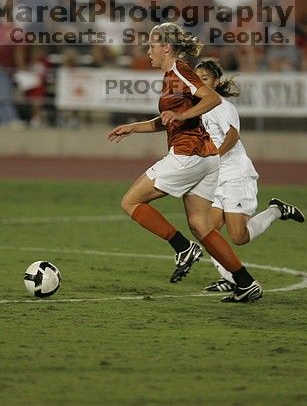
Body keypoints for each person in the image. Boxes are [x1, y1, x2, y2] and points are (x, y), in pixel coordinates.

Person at [107, 22, 262, 303]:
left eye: (152, 45)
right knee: (201, 226)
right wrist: (133, 127)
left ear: (166, 47)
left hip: (188, 154)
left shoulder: (178, 71)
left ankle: (181, 248)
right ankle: (245, 283)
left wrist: (180, 116)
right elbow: (168, 121)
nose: (149, 50)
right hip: (206, 158)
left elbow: (212, 98)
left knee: (130, 202)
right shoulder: (171, 77)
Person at [194, 59, 304, 293]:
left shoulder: (222, 107)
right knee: (208, 230)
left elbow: (232, 136)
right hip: (214, 177)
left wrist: (214, 156)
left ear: (215, 82)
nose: (199, 83)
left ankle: (276, 210)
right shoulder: (197, 108)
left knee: (238, 236)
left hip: (235, 175)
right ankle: (231, 278)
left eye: (204, 79)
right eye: (197, 79)